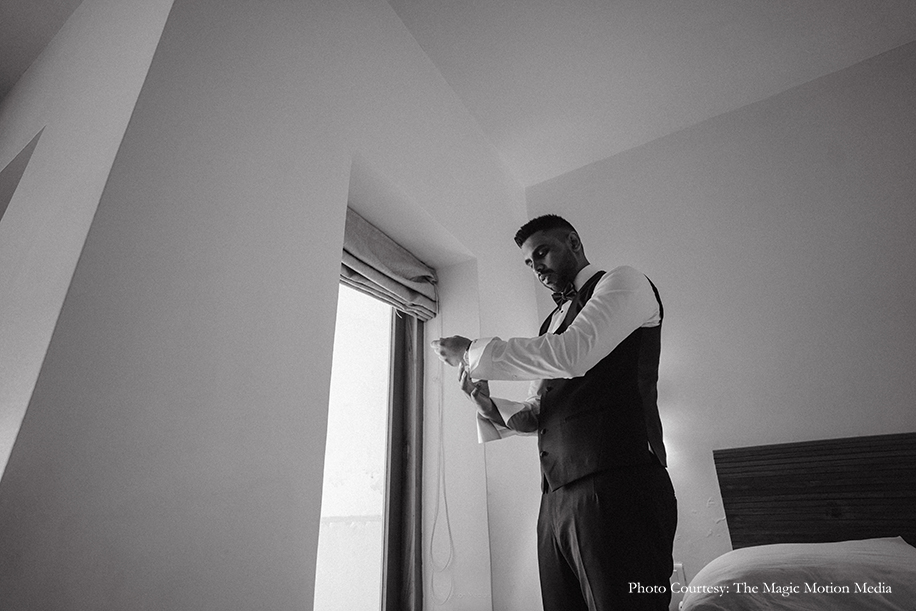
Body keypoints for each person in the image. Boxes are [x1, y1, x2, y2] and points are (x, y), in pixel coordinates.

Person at [431, 214, 677, 611]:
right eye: (530, 263)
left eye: (542, 253)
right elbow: (536, 412)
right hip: (554, 500)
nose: (537, 268)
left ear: (574, 242)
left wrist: (474, 351)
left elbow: (572, 354)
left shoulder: (625, 281)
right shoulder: (551, 324)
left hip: (619, 485)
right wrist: (486, 404)